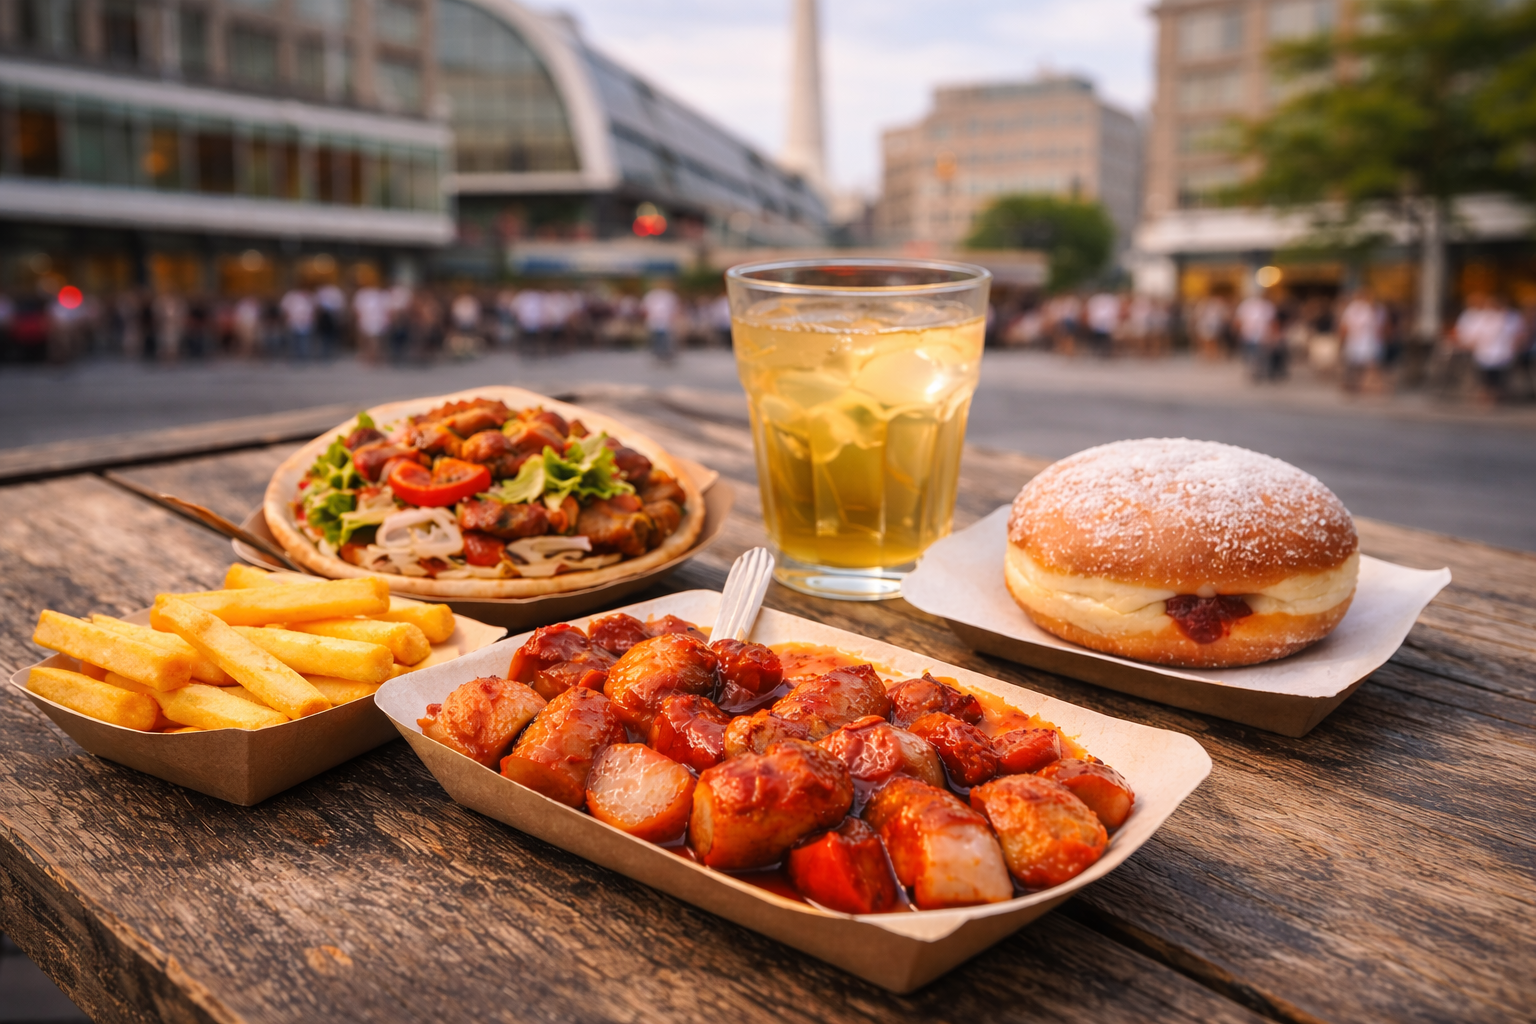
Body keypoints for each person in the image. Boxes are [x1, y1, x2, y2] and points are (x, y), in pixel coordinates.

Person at [1472, 296, 1524, 405]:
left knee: (1500, 377)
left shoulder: (1512, 318)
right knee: (1485, 377)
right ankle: (1486, 395)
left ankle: (1497, 396)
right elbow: (1476, 334)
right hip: (1485, 353)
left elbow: (1519, 334)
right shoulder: (1483, 317)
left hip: (1504, 353)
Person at [1339, 291, 1385, 393]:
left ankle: (1361, 384)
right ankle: (1353, 384)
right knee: (1353, 365)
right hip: (1354, 341)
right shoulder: (1352, 309)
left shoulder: (1366, 309)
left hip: (1364, 341)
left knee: (1364, 365)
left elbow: (1373, 327)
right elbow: (1344, 326)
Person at [1235, 292, 1277, 380]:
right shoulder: (1246, 305)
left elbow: (1272, 321)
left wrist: (1271, 335)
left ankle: (1261, 371)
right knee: (1250, 354)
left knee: (1262, 354)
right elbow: (1239, 320)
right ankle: (1253, 371)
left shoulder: (1267, 305)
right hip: (1248, 334)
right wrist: (1239, 332)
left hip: (1263, 335)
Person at [641, 281, 679, 361]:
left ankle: (665, 353)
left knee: (665, 338)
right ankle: (658, 353)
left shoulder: (669, 295)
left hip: (665, 320)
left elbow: (674, 309)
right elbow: (645, 309)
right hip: (655, 320)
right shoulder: (651, 295)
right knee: (657, 338)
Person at [280, 286, 315, 360]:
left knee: (304, 340)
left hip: (305, 322)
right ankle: (294, 356)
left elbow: (312, 310)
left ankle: (303, 356)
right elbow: (285, 309)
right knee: (294, 340)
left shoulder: (308, 297)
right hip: (294, 321)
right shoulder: (291, 296)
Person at [315, 282, 346, 359]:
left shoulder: (335, 291)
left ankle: (331, 352)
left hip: (333, 317)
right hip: (324, 317)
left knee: (333, 336)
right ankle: (325, 352)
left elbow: (340, 305)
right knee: (324, 336)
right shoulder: (322, 291)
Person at [1085, 291, 1119, 357]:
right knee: (1098, 338)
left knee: (1106, 338)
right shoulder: (1096, 302)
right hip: (1098, 324)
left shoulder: (1108, 303)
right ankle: (1098, 350)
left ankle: (1106, 351)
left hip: (1106, 323)